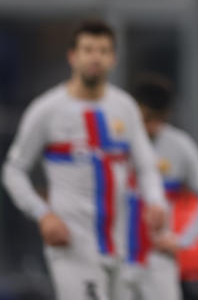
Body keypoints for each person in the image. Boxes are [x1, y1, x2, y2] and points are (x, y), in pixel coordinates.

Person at [1, 20, 167, 299]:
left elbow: (146, 165)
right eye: (88, 49)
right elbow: (13, 170)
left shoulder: (123, 107)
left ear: (113, 59)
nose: (95, 57)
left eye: (103, 51)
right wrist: (43, 215)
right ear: (72, 56)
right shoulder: (48, 109)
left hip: (119, 245)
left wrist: (156, 201)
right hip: (73, 245)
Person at [119, 73, 198, 300]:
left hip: (159, 261)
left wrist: (183, 240)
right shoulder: (115, 143)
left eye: (160, 118)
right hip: (116, 259)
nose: (153, 126)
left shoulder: (179, 146)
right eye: (147, 117)